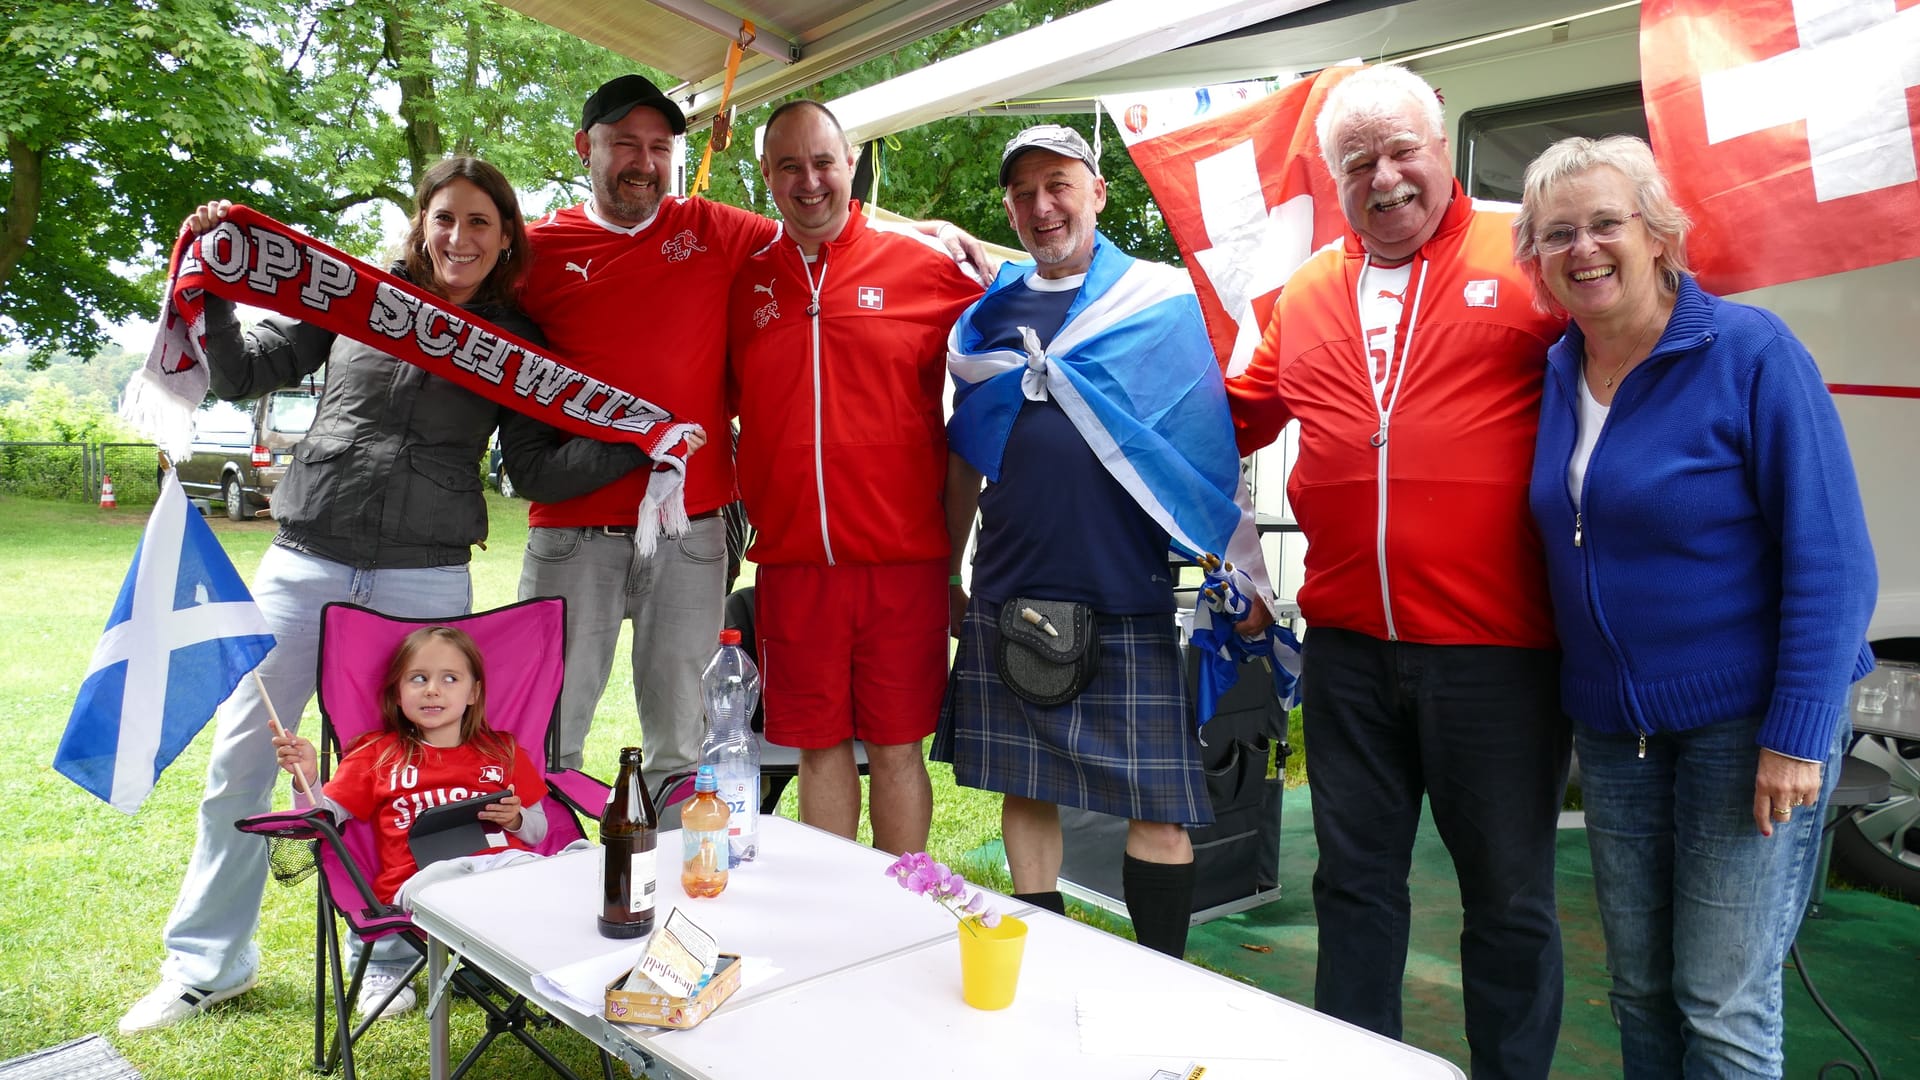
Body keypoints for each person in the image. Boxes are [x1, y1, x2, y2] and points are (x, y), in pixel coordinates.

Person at [120, 157, 552, 1033]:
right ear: (420, 224)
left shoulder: (515, 341)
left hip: (424, 572)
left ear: (505, 237)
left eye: (479, 222)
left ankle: (391, 946)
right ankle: (208, 961)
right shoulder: (356, 300)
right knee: (244, 760)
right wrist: (221, 277)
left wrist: (643, 439)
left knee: (409, 768)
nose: (458, 238)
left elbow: (540, 459)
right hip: (307, 559)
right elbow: (242, 373)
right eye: (444, 218)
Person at [1224, 65, 1570, 1078]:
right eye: (1358, 160)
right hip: (1349, 656)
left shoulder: (1529, 252)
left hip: (1498, 656)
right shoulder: (1306, 293)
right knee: (1355, 888)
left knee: (1507, 900)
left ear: (1442, 142)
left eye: (1401, 150)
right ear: (1335, 177)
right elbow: (1219, 421)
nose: (1385, 178)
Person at [504, 75, 986, 794]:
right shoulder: (533, 253)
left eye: (658, 146)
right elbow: (454, 292)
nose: (642, 161)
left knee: (688, 741)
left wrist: (922, 230)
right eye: (623, 144)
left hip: (695, 532)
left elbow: (828, 224)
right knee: (543, 733)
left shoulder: (714, 230)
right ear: (585, 148)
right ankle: (531, 889)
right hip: (575, 530)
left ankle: (673, 890)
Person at [1513, 135, 1875, 1079]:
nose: (1582, 248)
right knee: (1638, 990)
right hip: (1619, 733)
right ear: (1537, 260)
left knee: (1720, 1004)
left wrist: (1797, 734)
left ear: (1660, 234)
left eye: (1604, 223)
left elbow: (1834, 559)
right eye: (1557, 234)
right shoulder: (1557, 373)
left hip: (1746, 726)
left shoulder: (1750, 352)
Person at [936, 124, 1269, 959]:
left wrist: (1236, 562)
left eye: (1059, 185)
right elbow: (967, 447)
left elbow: (1205, 439)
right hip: (1010, 581)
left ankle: (1160, 981)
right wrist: (949, 566)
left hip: (1126, 588)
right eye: (1024, 193)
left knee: (1159, 806)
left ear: (1097, 191)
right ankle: (1041, 964)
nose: (1043, 207)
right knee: (1026, 785)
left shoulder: (1162, 300)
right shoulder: (989, 316)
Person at [724, 100, 982, 853]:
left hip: (905, 562)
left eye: (824, 162)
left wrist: (984, 260)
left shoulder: (923, 267)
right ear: (767, 176)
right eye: (790, 166)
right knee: (818, 747)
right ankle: (836, 925)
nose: (810, 181)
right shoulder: (744, 284)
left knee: (898, 746)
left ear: (850, 166)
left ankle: (902, 908)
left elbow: (1016, 327)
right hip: (796, 566)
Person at [271, 627, 553, 916]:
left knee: (534, 869)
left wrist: (516, 819)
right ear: (397, 693)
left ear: (473, 692)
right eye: (418, 678)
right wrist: (306, 777)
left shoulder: (502, 752)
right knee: (447, 880)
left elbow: (537, 831)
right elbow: (319, 822)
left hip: (499, 867)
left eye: (450, 678)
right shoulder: (378, 755)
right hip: (423, 878)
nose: (432, 689)